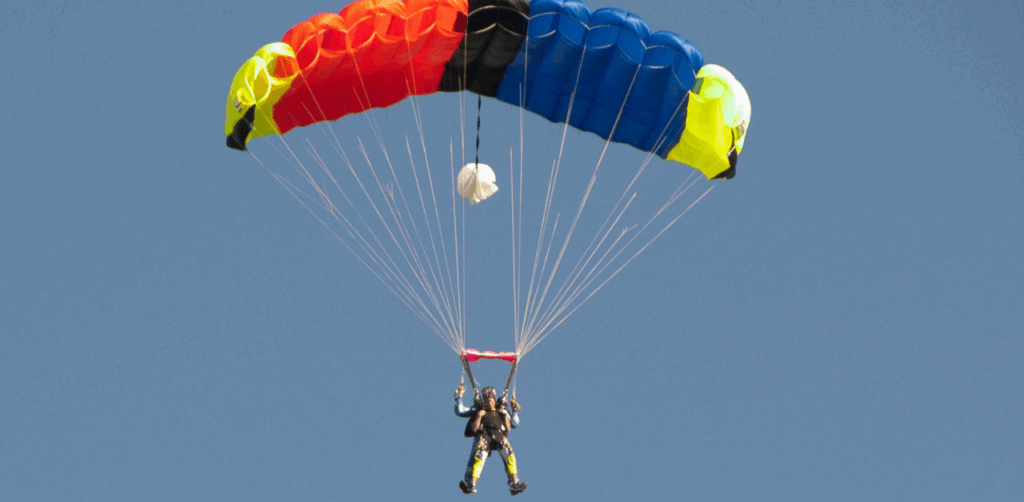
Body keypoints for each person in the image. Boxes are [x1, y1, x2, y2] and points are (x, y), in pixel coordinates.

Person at [454, 384, 527, 495]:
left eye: (491, 399)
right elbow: (460, 411)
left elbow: (515, 423)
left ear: (494, 399)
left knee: (510, 455)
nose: (489, 402)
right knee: (479, 457)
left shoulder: (501, 411)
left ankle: (514, 483)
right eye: (487, 399)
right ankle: (471, 484)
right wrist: (459, 397)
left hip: (499, 436)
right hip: (485, 436)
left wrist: (514, 410)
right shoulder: (479, 410)